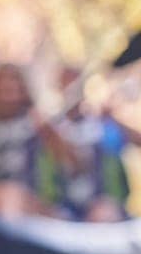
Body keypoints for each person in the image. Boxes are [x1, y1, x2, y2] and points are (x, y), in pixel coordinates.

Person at [0, 63, 71, 218]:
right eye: (3, 90)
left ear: (23, 91)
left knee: (9, 196)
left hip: (32, 201)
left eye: (13, 89)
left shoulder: (38, 125)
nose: (8, 95)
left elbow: (69, 162)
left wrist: (49, 132)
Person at [51, 64, 139, 223]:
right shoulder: (49, 128)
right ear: (58, 86)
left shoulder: (103, 125)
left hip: (104, 206)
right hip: (62, 207)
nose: (72, 89)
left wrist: (115, 119)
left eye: (76, 83)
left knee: (103, 214)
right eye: (67, 82)